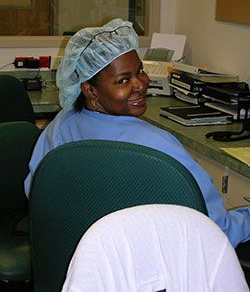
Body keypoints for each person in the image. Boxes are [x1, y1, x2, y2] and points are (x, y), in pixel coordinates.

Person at [24, 18, 250, 249]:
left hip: (73, 259)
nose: (141, 84)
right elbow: (213, 229)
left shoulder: (61, 125)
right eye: (123, 80)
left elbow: (37, 192)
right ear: (90, 90)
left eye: (140, 71)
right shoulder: (157, 144)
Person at [61, 205, 249, 292]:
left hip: (70, 253)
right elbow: (222, 228)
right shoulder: (167, 144)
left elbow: (33, 189)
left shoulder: (60, 127)